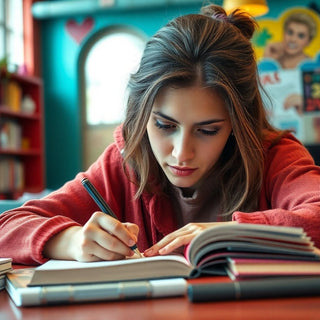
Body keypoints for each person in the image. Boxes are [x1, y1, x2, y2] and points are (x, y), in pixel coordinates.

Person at [1, 4, 320, 265]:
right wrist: (68, 240)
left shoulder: (275, 156)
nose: (182, 153)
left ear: (239, 123)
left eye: (208, 130)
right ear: (141, 114)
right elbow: (7, 228)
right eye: (165, 125)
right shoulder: (123, 163)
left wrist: (227, 236)